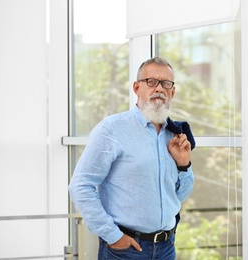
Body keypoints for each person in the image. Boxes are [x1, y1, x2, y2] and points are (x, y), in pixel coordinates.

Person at [69, 57, 195, 259]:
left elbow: (177, 196)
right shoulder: (111, 129)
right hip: (125, 250)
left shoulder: (175, 135)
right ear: (137, 88)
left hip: (166, 248)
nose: (159, 89)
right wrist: (113, 236)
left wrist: (183, 165)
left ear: (172, 91)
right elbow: (80, 185)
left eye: (166, 83)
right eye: (151, 82)